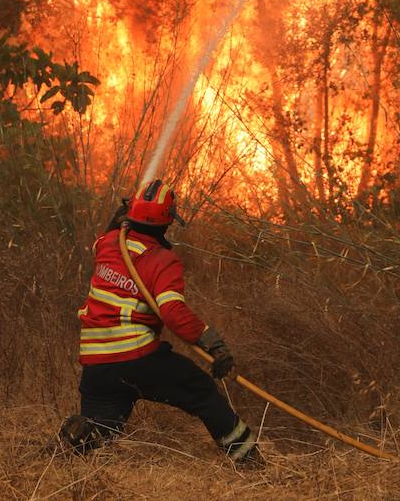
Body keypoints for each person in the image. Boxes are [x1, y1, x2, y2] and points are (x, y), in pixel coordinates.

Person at [58, 179, 257, 465]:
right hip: (136, 357)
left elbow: (106, 237)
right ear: (167, 223)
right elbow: (173, 312)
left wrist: (116, 220)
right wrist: (213, 343)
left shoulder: (107, 243)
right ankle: (249, 459)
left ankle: (71, 444)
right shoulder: (162, 260)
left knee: (100, 431)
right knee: (201, 391)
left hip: (96, 364)